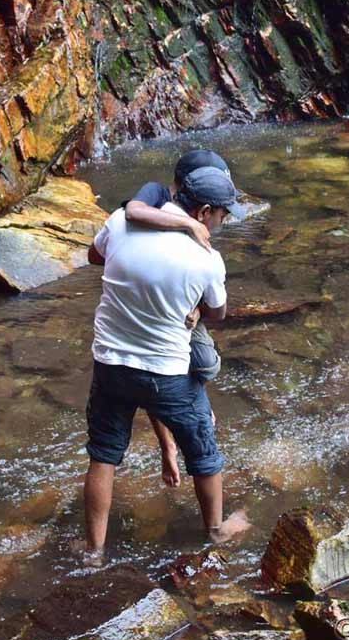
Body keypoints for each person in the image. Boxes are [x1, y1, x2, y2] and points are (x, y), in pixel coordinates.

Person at [83, 166, 251, 565]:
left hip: (110, 363)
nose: (222, 223)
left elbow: (94, 255)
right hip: (167, 373)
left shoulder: (121, 221)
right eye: (222, 216)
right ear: (204, 212)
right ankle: (215, 530)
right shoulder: (206, 258)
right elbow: (218, 311)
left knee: (103, 455)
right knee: (204, 452)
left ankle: (93, 550)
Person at [122, 150, 232, 487]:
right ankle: (169, 441)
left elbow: (207, 291)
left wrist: (197, 306)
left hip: (180, 307)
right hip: (153, 308)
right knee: (175, 367)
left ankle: (181, 423)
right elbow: (130, 214)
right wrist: (186, 224)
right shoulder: (156, 196)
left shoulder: (204, 239)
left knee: (201, 364)